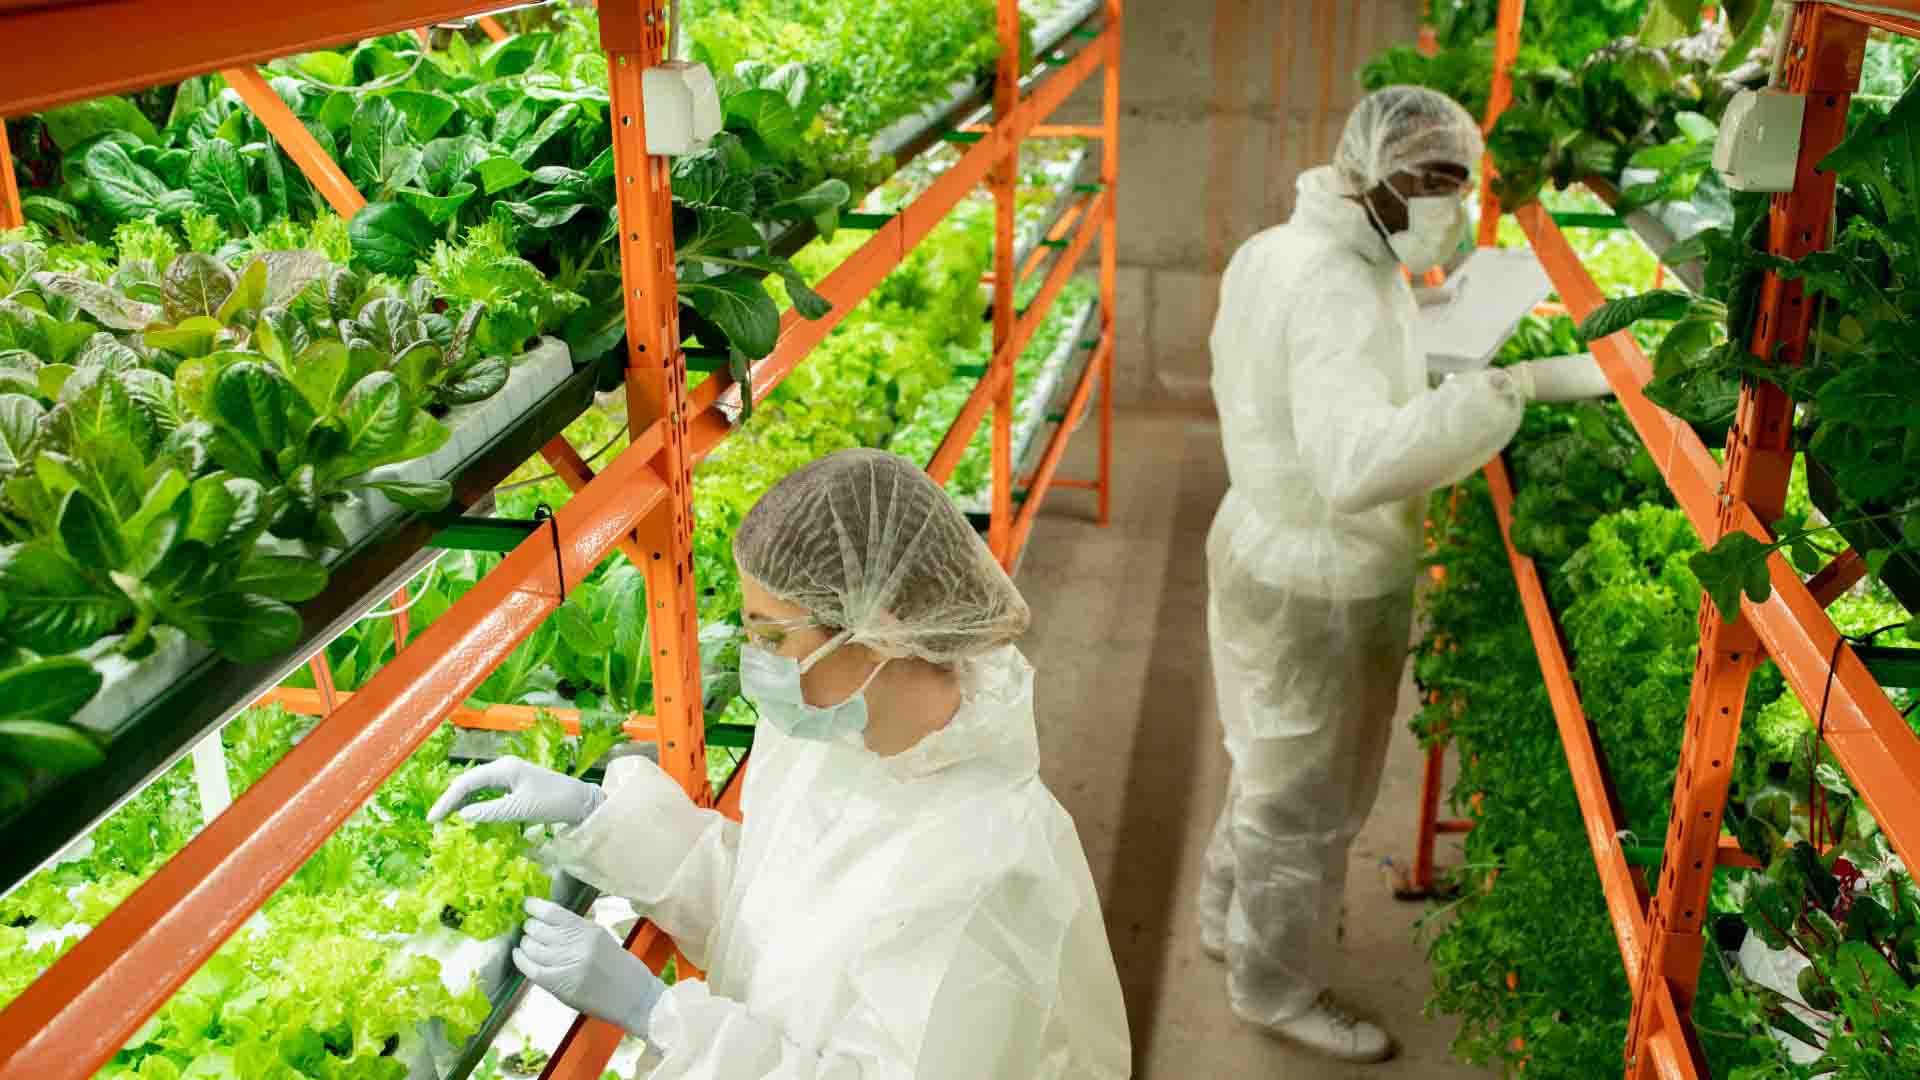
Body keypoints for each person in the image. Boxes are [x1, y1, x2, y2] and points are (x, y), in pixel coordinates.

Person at [430, 448, 1132, 1079]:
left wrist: (661, 1016)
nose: (755, 661)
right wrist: (601, 819)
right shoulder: (832, 735)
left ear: (881, 625)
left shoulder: (987, 870)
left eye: (771, 633)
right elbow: (774, 911)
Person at [1197, 85, 1610, 1063]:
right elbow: (1354, 465)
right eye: (1440, 184)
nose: (1453, 209)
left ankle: (1227, 920)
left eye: (1460, 188)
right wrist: (1506, 391)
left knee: (1264, 760)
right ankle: (1274, 990)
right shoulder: (1336, 284)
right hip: (1321, 575)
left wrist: (1430, 328)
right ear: (1378, 174)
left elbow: (1315, 381)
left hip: (1260, 539)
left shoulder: (1293, 249)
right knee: (1309, 801)